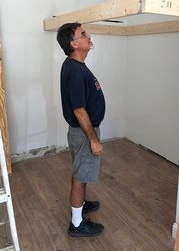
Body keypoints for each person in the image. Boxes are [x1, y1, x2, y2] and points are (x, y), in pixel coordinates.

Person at [57, 22, 105, 238]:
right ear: (74, 44)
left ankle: (81, 204)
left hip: (81, 132)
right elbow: (79, 110)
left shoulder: (74, 65)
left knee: (80, 172)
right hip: (84, 133)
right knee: (80, 176)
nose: (88, 36)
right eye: (83, 34)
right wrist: (93, 139)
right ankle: (76, 224)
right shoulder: (75, 70)